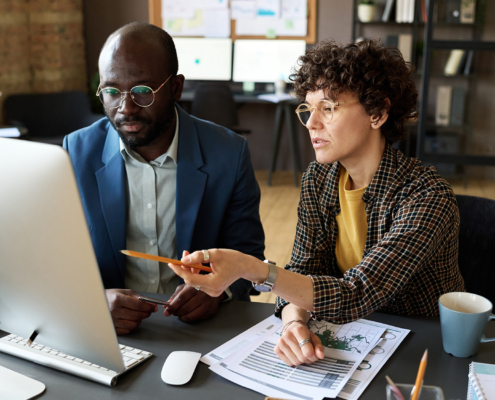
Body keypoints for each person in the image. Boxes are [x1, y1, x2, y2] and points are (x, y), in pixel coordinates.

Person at [169, 39, 465, 366]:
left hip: (425, 349)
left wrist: (248, 267)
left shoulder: (426, 195)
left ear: (378, 113)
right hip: (350, 340)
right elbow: (303, 269)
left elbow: (358, 291)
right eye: (308, 109)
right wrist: (294, 321)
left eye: (328, 108)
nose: (311, 123)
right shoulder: (319, 178)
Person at [63, 22, 264, 334]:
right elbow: (57, 259)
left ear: (176, 88)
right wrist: (92, 302)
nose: (125, 108)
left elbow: (249, 256)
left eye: (143, 91)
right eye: (111, 92)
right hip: (110, 329)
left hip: (200, 329)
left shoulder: (228, 153)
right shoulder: (75, 153)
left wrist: (219, 291)